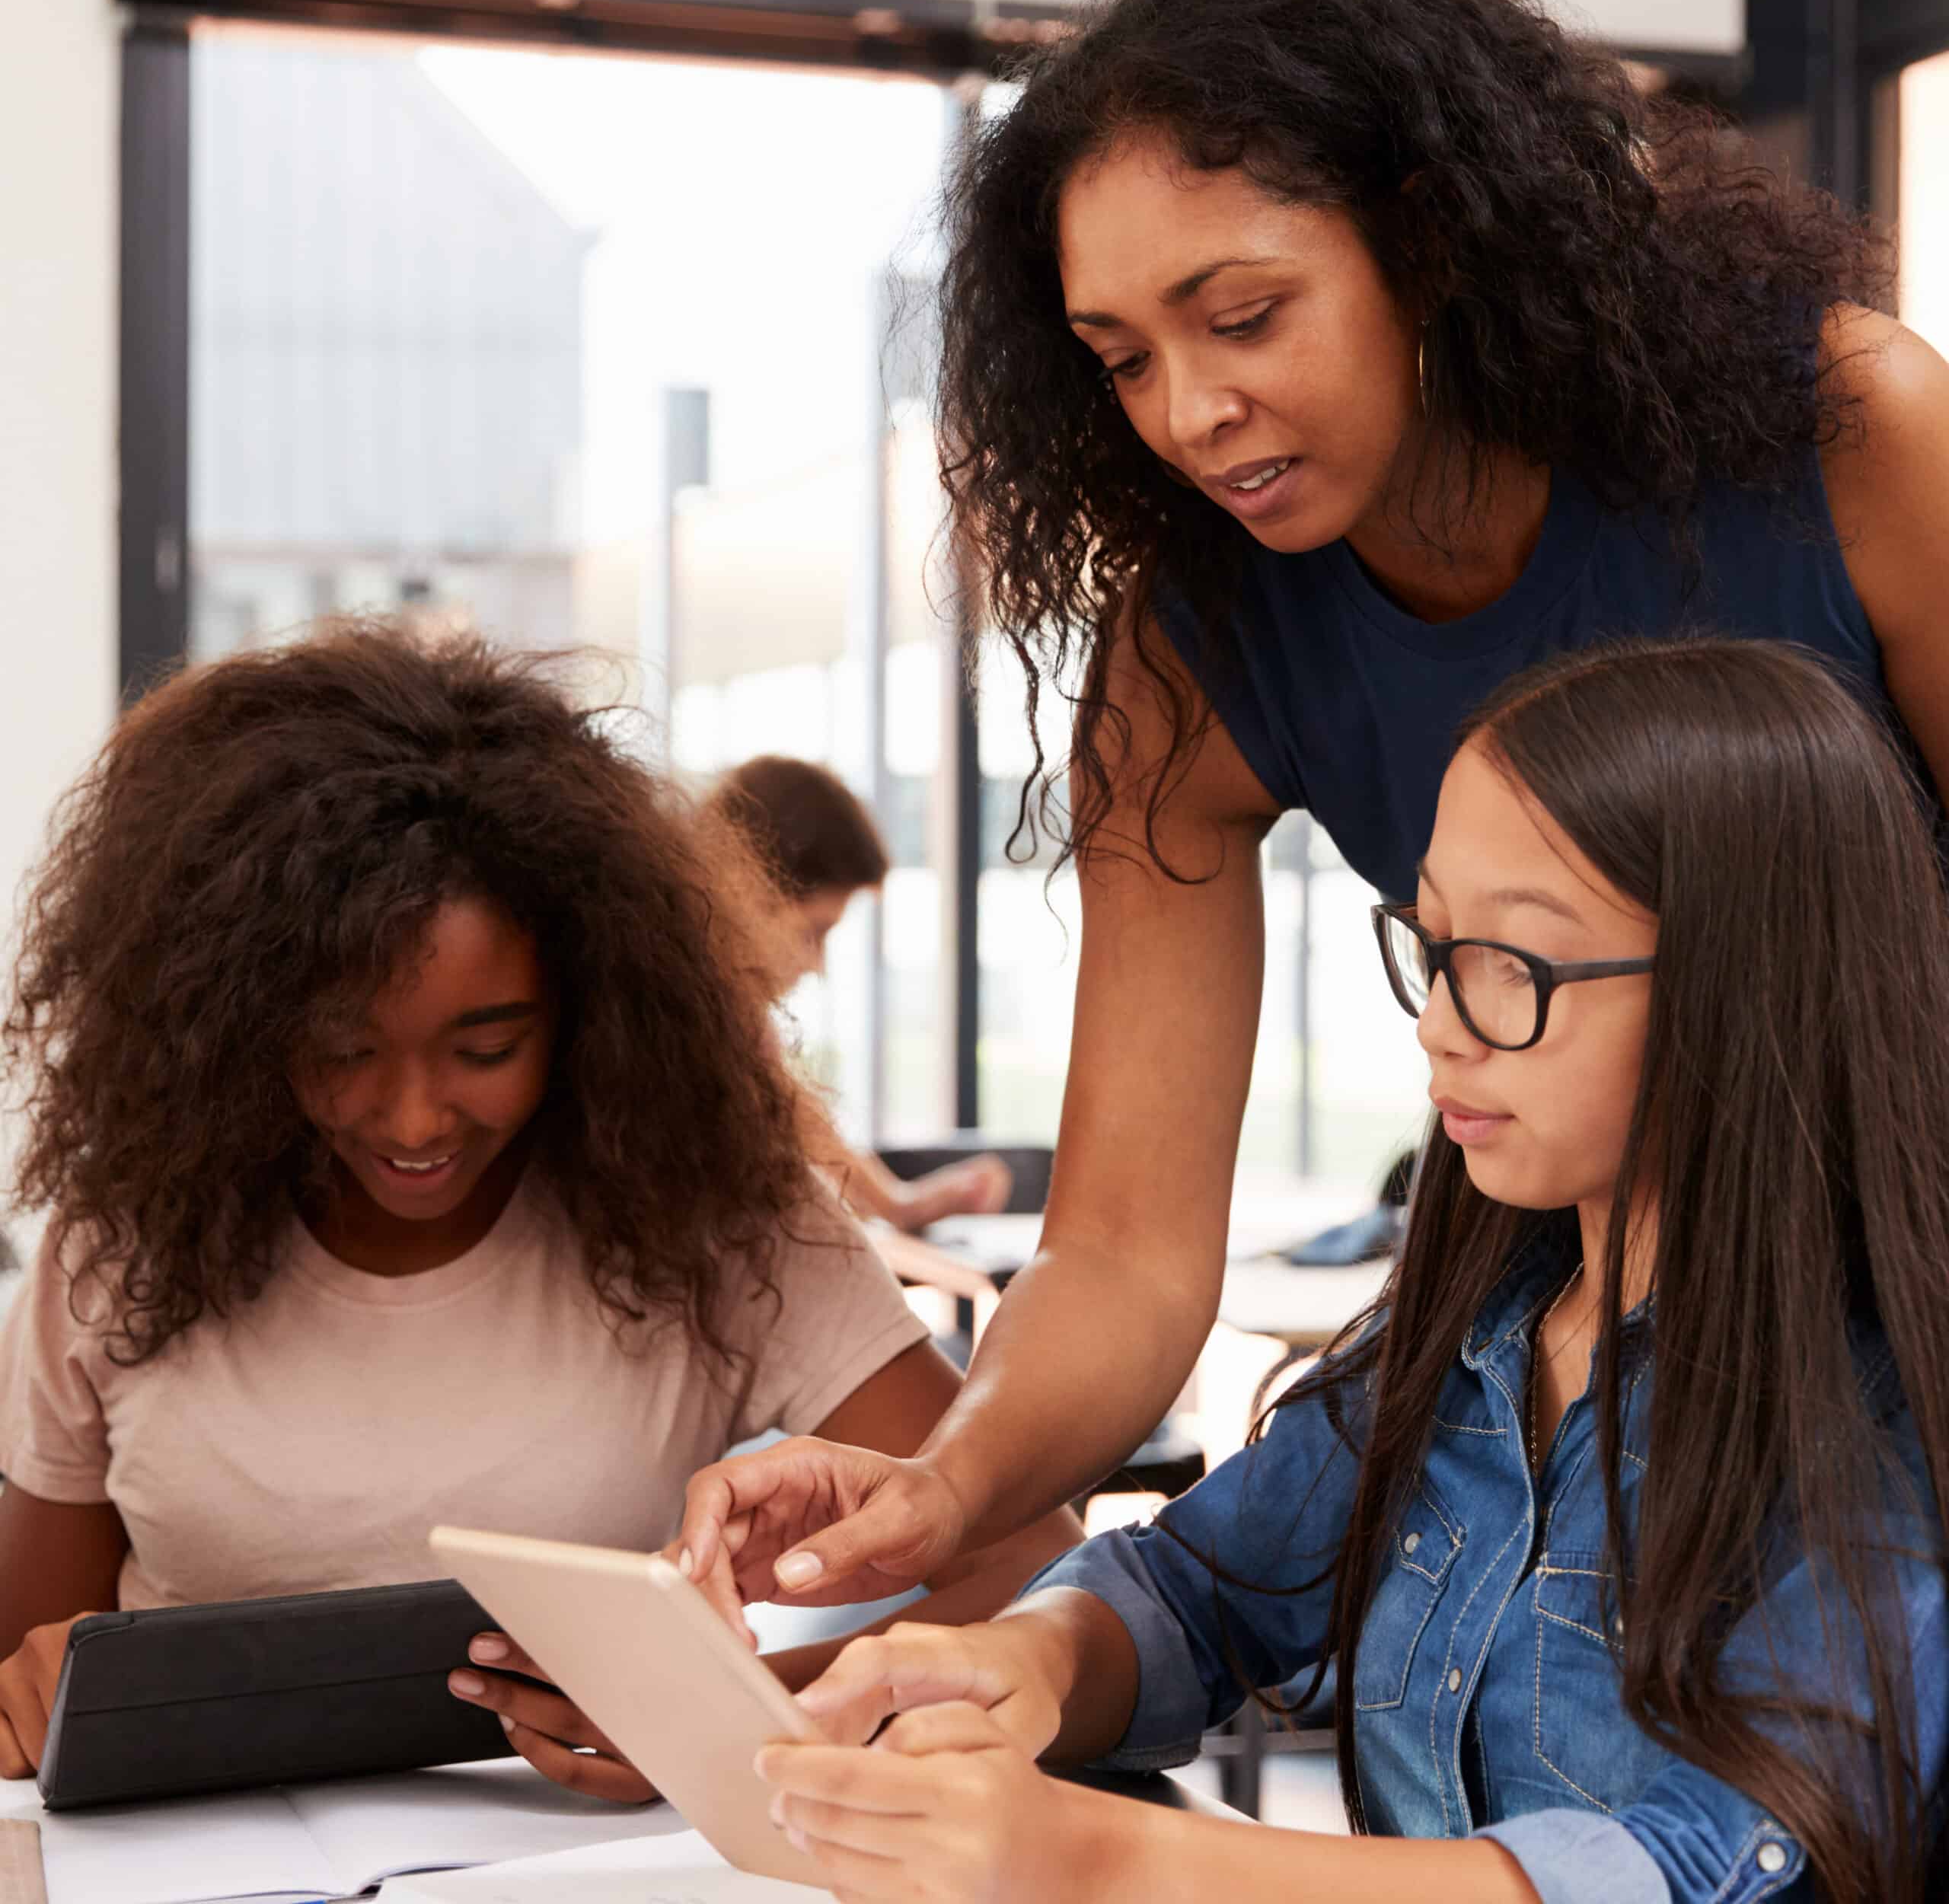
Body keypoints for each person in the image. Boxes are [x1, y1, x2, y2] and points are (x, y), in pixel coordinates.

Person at [668, 0, 1949, 1631]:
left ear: (1426, 242)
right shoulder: (1192, 650)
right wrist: (949, 1484)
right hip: (1603, 1375)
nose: (1190, 414)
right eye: (1118, 356)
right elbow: (1122, 1248)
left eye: (1243, 315)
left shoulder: (1853, 430)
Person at [756, 638, 1949, 1903]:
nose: (1439, 1022)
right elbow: (1191, 1589)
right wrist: (1026, 1664)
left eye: (1516, 967)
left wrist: (1110, 1860)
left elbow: (1700, 1858)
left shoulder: (1881, 1429)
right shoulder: (1460, 1350)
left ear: (1748, 984)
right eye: (1435, 945)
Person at [0, 628, 1079, 1791]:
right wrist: (34, 1692)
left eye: (486, 1045)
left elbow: (1034, 1563)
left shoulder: (719, 1220)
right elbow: (27, 1682)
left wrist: (735, 1711)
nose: (414, 1121)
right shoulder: (123, 1248)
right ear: (238, 1027)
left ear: (586, 1006)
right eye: (341, 1049)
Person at [706, 754, 1013, 1231]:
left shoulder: (738, 1023)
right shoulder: (696, 1014)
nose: (816, 965)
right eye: (814, 932)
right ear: (745, 892)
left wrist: (901, 1204)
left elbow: (799, 1117)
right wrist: (900, 1204)